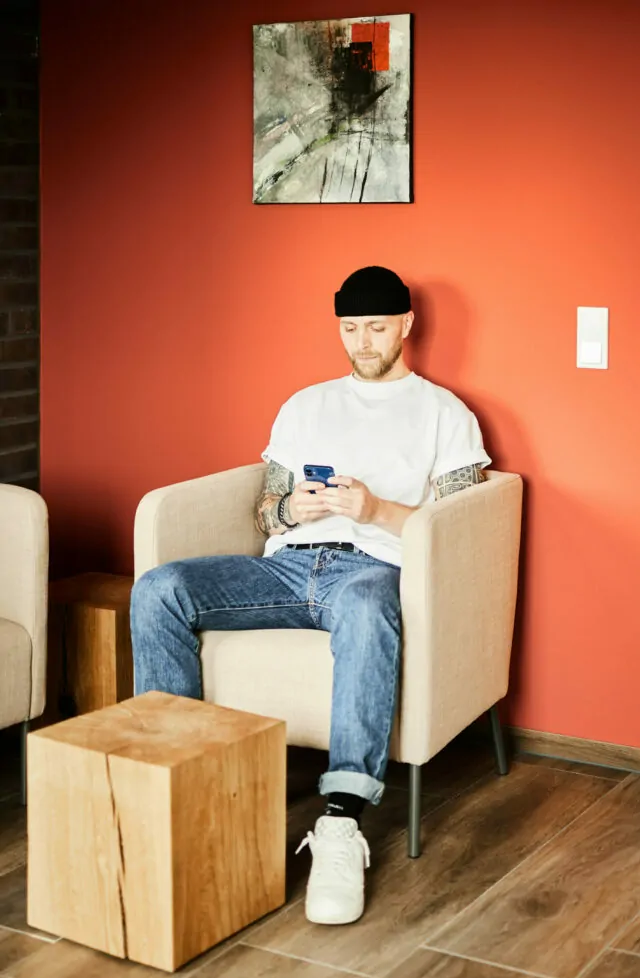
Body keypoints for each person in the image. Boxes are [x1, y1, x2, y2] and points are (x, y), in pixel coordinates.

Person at [130, 266, 491, 926]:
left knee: (364, 608)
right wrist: (290, 511)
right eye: (350, 329)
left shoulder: (445, 414)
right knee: (160, 589)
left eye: (377, 328)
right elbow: (265, 512)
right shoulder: (304, 406)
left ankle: (340, 823)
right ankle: (174, 781)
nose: (363, 343)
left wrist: (377, 511)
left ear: (407, 325)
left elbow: (458, 530)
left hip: (372, 572)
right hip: (288, 568)